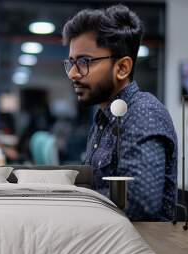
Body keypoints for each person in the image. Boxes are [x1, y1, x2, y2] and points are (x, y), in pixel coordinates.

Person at [62, 4, 178, 221]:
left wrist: (72, 206)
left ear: (122, 68)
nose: (73, 74)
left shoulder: (143, 113)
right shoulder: (103, 117)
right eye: (71, 63)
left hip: (138, 249)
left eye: (84, 62)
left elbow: (138, 203)